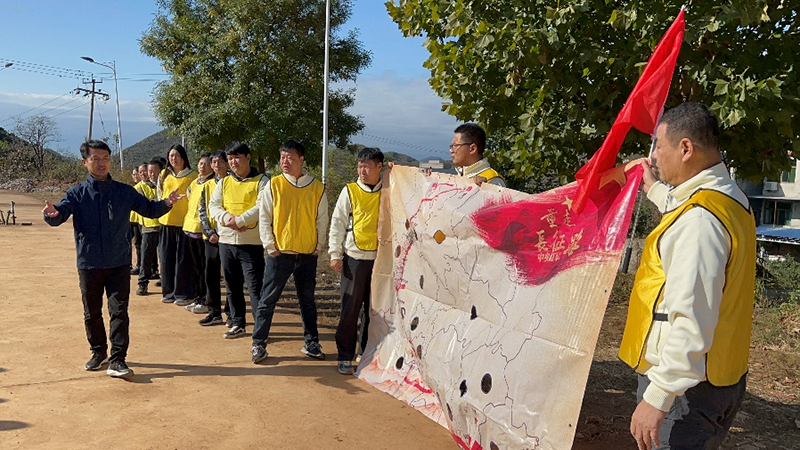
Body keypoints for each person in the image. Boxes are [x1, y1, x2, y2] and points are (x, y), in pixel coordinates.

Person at [619, 102, 756, 450]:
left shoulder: (698, 222)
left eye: (659, 147)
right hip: (718, 378)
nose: (653, 157)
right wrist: (653, 188)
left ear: (685, 148)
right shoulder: (729, 198)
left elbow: (691, 319)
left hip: (685, 394)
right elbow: (684, 206)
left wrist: (658, 396)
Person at [42, 140, 182, 378]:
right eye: (95, 159)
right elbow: (60, 214)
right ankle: (98, 352)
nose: (101, 163)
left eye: (105, 158)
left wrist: (167, 203)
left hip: (119, 262)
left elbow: (149, 209)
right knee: (92, 312)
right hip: (89, 263)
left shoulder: (124, 191)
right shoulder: (77, 194)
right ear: (84, 162)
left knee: (119, 311)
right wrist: (52, 215)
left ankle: (118, 359)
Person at [251, 140, 328, 364]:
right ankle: (258, 343)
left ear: (301, 159)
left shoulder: (317, 188)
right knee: (267, 299)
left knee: (307, 300)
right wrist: (270, 246)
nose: (285, 161)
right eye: (282, 157)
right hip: (280, 253)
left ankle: (312, 342)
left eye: (290, 157)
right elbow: (265, 217)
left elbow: (322, 219)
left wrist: (317, 247)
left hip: (306, 254)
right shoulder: (274, 185)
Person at [328, 147, 383, 375]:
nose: (362, 171)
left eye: (367, 166)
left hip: (380, 261)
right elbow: (338, 222)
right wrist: (335, 253)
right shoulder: (350, 190)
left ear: (379, 167)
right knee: (349, 309)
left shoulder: (388, 190)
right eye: (360, 166)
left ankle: (366, 352)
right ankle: (344, 355)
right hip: (354, 259)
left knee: (373, 310)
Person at [209, 142, 268, 338]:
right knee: (232, 287)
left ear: (248, 158)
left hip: (251, 243)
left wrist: (240, 221)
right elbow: (214, 206)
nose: (233, 162)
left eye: (237, 157)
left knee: (255, 288)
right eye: (230, 158)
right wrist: (228, 219)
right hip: (226, 242)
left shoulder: (262, 181)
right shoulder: (224, 182)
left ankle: (261, 329)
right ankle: (237, 322)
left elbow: (262, 207)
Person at [157, 144, 198, 304]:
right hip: (166, 222)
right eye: (171, 156)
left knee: (183, 260)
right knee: (166, 259)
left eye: (177, 155)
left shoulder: (192, 176)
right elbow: (160, 195)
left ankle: (183, 293)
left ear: (183, 157)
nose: (174, 159)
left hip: (184, 223)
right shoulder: (163, 174)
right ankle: (168, 292)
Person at [196, 150, 231, 323]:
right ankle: (214, 312)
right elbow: (202, 210)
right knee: (210, 275)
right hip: (211, 237)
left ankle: (231, 313)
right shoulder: (208, 185)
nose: (216, 165)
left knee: (230, 276)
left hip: (229, 236)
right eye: (214, 162)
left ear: (227, 163)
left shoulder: (232, 182)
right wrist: (209, 232)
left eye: (220, 161)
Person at [180, 153, 214, 311]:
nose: (203, 167)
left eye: (207, 164)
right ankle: (198, 297)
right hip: (190, 229)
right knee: (195, 268)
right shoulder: (194, 183)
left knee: (204, 268)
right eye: (201, 163)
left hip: (203, 231)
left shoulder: (213, 183)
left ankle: (206, 300)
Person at [136, 160, 163, 296]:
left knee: (164, 257)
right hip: (149, 227)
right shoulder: (141, 187)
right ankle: (143, 283)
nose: (151, 174)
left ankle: (166, 281)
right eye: (149, 171)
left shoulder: (163, 185)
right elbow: (145, 204)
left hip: (163, 226)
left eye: (154, 171)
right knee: (146, 257)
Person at [450, 123, 505, 187]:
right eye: (451, 146)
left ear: (472, 149)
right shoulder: (456, 178)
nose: (451, 150)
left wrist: (483, 189)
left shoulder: (493, 180)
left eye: (455, 145)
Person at [129, 167, 143, 275]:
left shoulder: (141, 187)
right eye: (133, 175)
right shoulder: (132, 188)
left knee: (139, 244)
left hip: (139, 220)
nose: (135, 176)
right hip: (131, 220)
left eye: (136, 174)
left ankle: (140, 265)